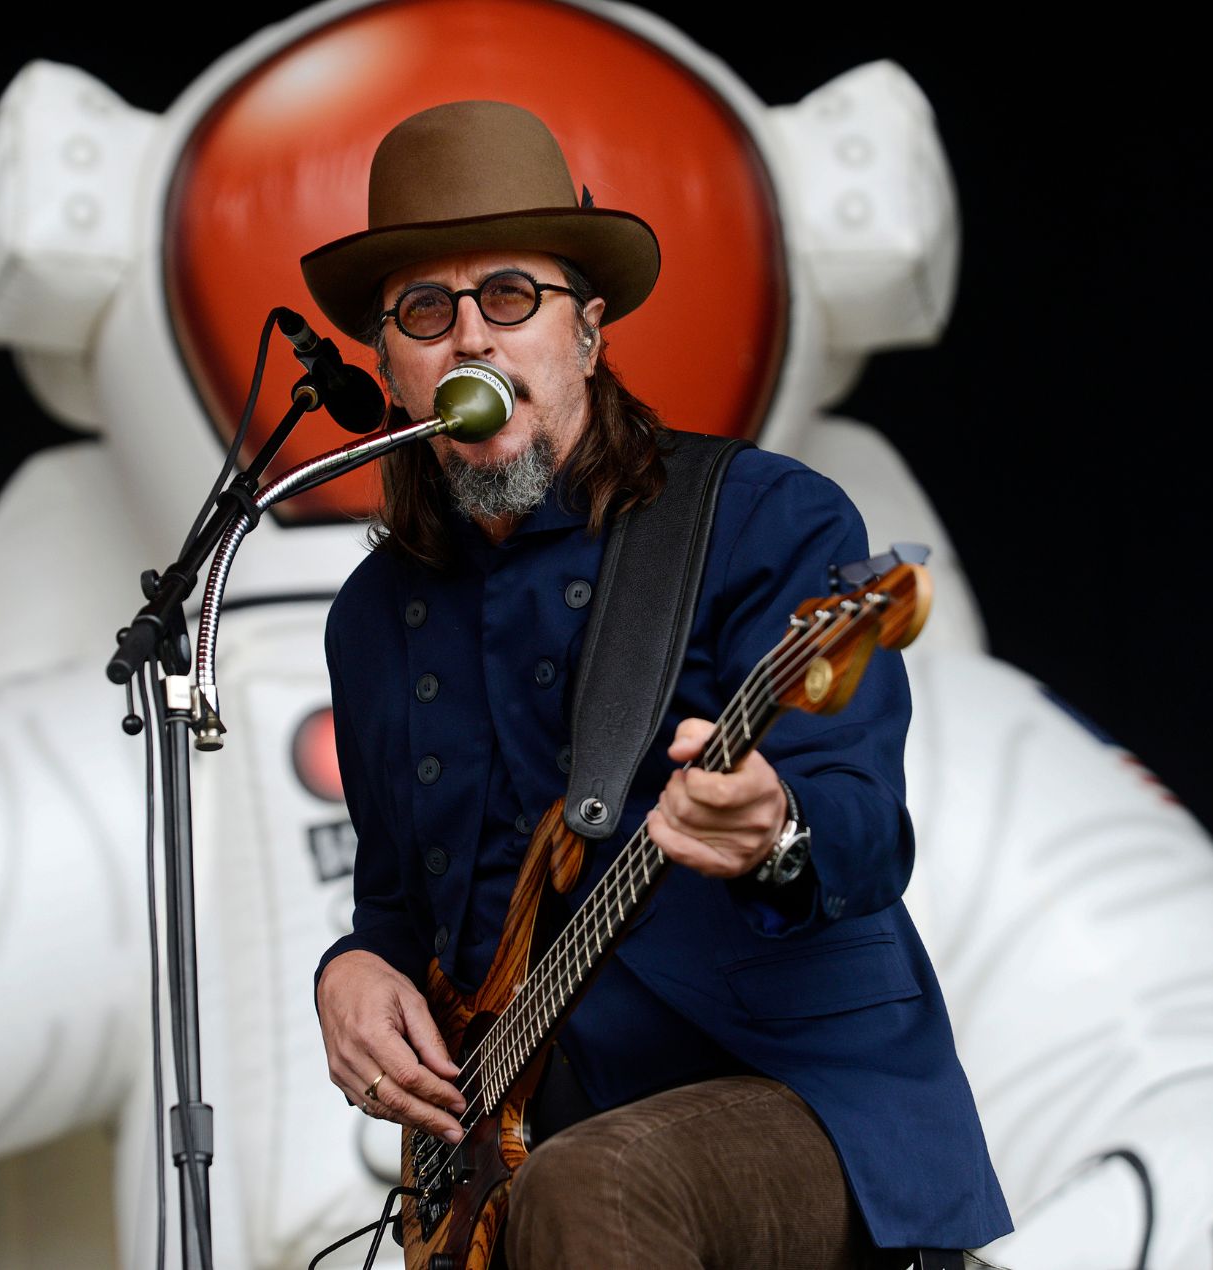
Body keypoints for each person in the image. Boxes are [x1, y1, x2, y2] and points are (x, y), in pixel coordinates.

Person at [304, 100, 1011, 1268]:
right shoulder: (375, 619)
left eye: (510, 298)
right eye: (426, 311)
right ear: (391, 364)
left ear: (585, 332)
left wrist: (770, 830)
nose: (469, 338)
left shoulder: (759, 518)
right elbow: (397, 907)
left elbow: (862, 836)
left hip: (803, 1095)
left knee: (594, 1190)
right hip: (525, 1144)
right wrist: (351, 969)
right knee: (572, 1186)